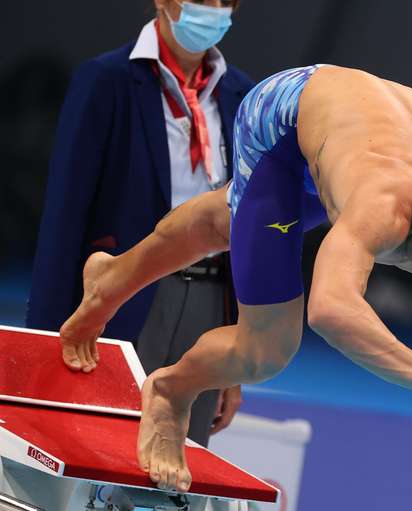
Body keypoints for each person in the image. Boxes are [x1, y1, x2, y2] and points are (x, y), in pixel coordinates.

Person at [59, 64, 412, 493]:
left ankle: (109, 277)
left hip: (364, 127)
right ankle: (170, 390)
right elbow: (332, 310)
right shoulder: (384, 209)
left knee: (236, 220)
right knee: (267, 347)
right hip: (288, 118)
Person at [26, 0, 255, 446]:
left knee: (178, 463)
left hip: (212, 303)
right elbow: (65, 214)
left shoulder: (241, 96)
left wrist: (238, 359)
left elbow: (247, 225)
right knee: (94, 445)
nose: (214, 10)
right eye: (202, 0)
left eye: (225, 1)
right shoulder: (107, 80)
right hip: (128, 290)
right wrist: (45, 337)